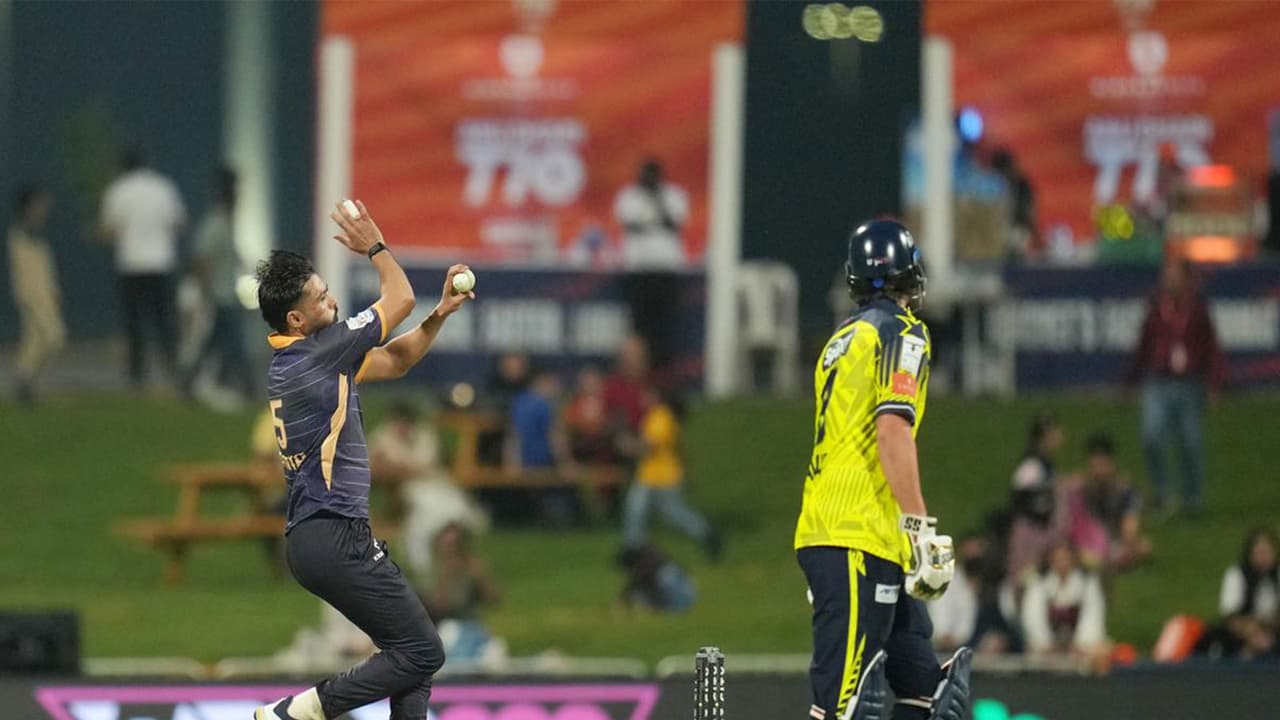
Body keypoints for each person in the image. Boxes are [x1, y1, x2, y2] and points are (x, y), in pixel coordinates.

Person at [252, 200, 474, 720]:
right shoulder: (319, 353)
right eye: (321, 298)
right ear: (295, 318)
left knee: (411, 655)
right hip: (334, 535)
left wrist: (440, 315)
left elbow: (395, 359)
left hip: (317, 538)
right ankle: (299, 711)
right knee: (424, 651)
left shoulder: (304, 360)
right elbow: (400, 298)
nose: (331, 300)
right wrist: (375, 245)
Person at [794, 220, 970, 720]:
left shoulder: (840, 339)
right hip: (855, 534)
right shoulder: (903, 332)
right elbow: (892, 430)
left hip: (855, 531)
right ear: (910, 274)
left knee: (929, 695)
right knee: (846, 706)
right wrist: (919, 526)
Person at [1127, 257, 1224, 516]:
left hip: (1189, 382)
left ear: (1186, 279)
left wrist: (1214, 383)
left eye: (1173, 275)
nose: (1167, 279)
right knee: (1150, 436)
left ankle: (1192, 498)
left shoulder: (1198, 308)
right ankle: (1161, 492)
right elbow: (1144, 341)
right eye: (1166, 275)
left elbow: (1211, 346)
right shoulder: (1156, 306)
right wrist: (1132, 378)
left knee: (1190, 442)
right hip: (1158, 379)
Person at [98, 148, 187, 387]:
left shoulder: (118, 190)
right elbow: (179, 224)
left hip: (131, 264)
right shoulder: (163, 187)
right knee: (164, 321)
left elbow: (109, 230)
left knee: (134, 323)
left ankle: (137, 374)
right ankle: (172, 367)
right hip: (161, 263)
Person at [621, 392, 720, 559]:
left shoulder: (660, 416)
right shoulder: (663, 417)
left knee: (653, 511)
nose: (644, 399)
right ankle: (632, 547)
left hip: (661, 475)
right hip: (655, 474)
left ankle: (706, 533)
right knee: (641, 510)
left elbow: (650, 446)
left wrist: (628, 445)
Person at [614, 158, 689, 379]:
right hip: (638, 269)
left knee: (664, 324)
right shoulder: (629, 196)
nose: (649, 180)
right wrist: (653, 221)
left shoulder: (673, 195)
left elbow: (673, 223)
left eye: (653, 176)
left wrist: (657, 200)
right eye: (646, 176)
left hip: (665, 270)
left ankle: (662, 374)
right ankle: (637, 373)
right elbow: (631, 225)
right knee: (639, 324)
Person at [181, 167, 251, 400]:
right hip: (220, 294)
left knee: (213, 343)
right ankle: (248, 385)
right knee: (234, 343)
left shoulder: (225, 226)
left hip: (225, 293)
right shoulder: (215, 225)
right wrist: (205, 290)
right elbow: (202, 260)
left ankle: (189, 381)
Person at [7, 185, 66, 406]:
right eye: (39, 203)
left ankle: (25, 382)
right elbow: (25, 270)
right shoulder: (22, 234)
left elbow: (45, 270)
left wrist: (53, 291)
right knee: (54, 337)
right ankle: (25, 380)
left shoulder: (38, 238)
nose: (44, 208)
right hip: (31, 296)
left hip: (44, 296)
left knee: (35, 340)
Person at [1064, 433, 1152, 572]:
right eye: (1095, 465)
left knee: (1144, 547)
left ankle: (1100, 561)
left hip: (1112, 541)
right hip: (1085, 541)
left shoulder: (1125, 491)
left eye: (1103, 464)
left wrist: (1127, 540)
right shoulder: (1079, 488)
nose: (1099, 470)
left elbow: (1130, 528)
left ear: (1112, 463)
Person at [419, 523, 504, 664]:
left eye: (455, 545)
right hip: (444, 628)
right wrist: (445, 579)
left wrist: (480, 577)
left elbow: (494, 600)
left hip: (470, 625)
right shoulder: (436, 572)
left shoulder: (472, 568)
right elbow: (435, 607)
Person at [507, 368, 578, 526]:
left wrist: (512, 462)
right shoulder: (547, 405)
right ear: (542, 381)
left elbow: (513, 436)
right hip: (544, 464)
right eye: (553, 382)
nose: (557, 387)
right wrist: (566, 464)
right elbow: (556, 438)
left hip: (524, 465)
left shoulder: (519, 401)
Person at [1020, 541, 1109, 661]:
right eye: (1058, 559)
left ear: (1073, 559)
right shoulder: (1038, 584)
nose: (1062, 563)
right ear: (1050, 561)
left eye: (1065, 558)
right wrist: (1045, 643)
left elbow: (1093, 614)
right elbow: (1033, 617)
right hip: (1047, 648)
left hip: (1081, 646)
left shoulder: (1088, 582)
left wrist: (1082, 643)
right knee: (1033, 652)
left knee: (1100, 651)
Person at [1198, 528, 1278, 661]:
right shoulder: (1237, 575)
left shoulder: (1277, 575)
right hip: (1242, 631)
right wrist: (1251, 631)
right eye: (1259, 552)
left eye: (1267, 552)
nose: (1264, 557)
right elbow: (1230, 617)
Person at [1005, 415, 1067, 589]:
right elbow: (1019, 501)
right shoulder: (1032, 465)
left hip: (1042, 532)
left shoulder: (1046, 465)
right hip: (1030, 533)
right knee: (1025, 579)